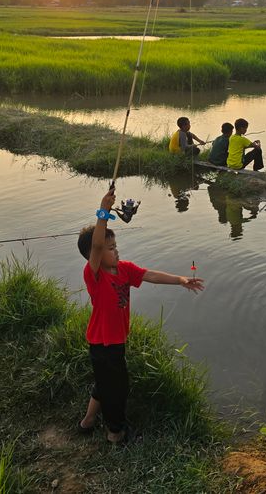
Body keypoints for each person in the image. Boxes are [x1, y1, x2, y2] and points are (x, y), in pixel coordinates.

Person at [77, 188, 204, 443]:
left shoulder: (124, 269)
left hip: (116, 340)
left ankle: (88, 421)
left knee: (105, 383)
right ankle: (115, 433)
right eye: (110, 248)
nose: (115, 251)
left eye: (115, 246)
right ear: (95, 256)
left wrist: (180, 280)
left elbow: (150, 275)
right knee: (116, 388)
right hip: (103, 343)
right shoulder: (94, 275)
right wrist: (103, 211)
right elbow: (97, 243)